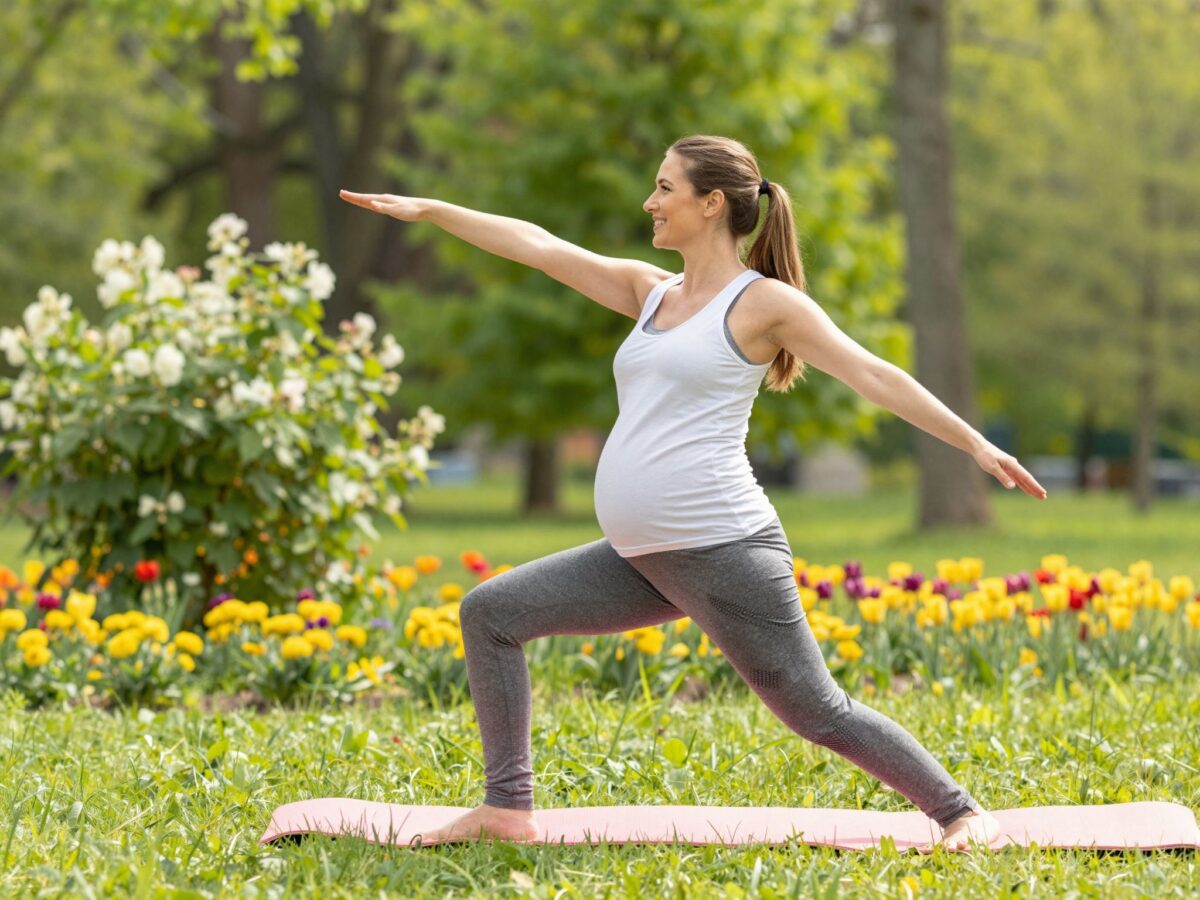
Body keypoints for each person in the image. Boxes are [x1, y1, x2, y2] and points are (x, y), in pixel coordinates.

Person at [340, 134, 1047, 852]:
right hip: (643, 556)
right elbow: (539, 246)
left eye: (665, 188)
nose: (650, 202)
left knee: (816, 711)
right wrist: (433, 209)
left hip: (724, 549)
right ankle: (506, 808)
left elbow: (874, 375)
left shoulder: (764, 304)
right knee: (491, 613)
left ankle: (962, 813)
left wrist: (979, 446)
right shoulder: (650, 293)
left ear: (712, 204)